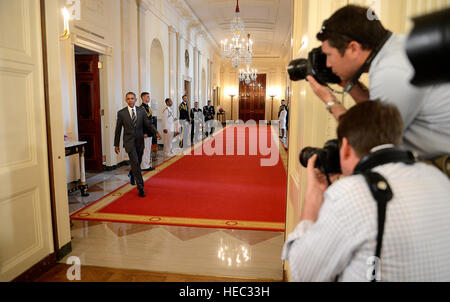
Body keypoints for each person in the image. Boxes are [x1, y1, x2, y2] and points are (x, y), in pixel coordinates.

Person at [282, 100, 450, 282]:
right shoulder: (438, 178)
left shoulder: (352, 193)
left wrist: (312, 201)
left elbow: (303, 272)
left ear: (345, 147)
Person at [306, 4, 450, 162]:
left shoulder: (391, 71)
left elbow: (368, 146)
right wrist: (349, 84)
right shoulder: (395, 49)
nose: (327, 64)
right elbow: (377, 115)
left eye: (329, 55)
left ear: (353, 48)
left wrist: (330, 101)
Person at [114, 92, 161, 197]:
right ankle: (141, 187)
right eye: (128, 99)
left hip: (140, 141)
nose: (130, 100)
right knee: (135, 162)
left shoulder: (141, 111)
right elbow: (118, 129)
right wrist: (116, 144)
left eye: (132, 98)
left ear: (135, 100)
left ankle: (132, 173)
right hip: (129, 142)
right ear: (126, 100)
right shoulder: (122, 113)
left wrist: (156, 132)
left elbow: (148, 124)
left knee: (137, 162)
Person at [140, 92, 155, 171]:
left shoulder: (147, 107)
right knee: (145, 149)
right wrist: (144, 132)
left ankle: (147, 164)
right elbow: (141, 122)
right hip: (145, 132)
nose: (149, 98)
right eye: (147, 97)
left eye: (149, 96)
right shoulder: (141, 108)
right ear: (143, 98)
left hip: (150, 131)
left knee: (148, 149)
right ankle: (144, 166)